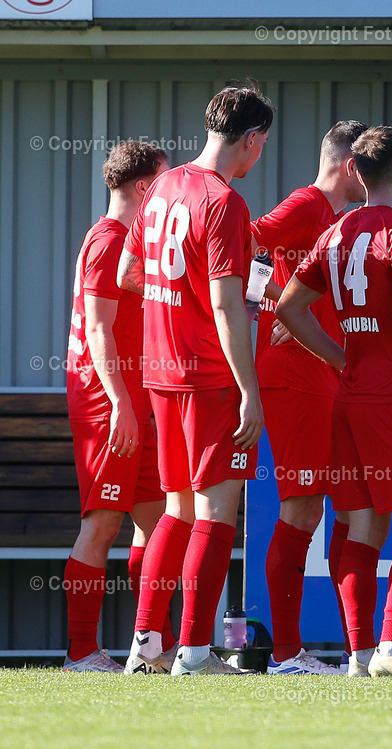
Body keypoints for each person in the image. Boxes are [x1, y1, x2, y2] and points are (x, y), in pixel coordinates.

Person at [276, 125, 392, 678]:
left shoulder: (336, 232)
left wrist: (339, 358)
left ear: (357, 173)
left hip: (350, 396)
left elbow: (287, 308)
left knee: (361, 526)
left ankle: (356, 653)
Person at [119, 82, 273, 675]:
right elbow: (230, 307)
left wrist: (175, 303)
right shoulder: (224, 202)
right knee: (214, 515)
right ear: (252, 139)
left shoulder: (159, 186)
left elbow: (132, 272)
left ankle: (145, 647)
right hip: (208, 378)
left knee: (177, 511)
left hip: (161, 375)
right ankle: (195, 652)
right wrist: (250, 391)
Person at [250, 119, 368, 675]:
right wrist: (277, 302)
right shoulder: (304, 204)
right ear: (350, 166)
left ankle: (356, 650)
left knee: (346, 505)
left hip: (328, 375)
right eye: (367, 168)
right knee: (300, 507)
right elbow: (234, 247)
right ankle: (285, 653)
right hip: (294, 375)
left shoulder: (339, 218)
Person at [62, 141, 170, 672]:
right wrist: (122, 404)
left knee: (156, 523)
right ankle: (81, 651)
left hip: (139, 402)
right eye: (164, 181)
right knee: (103, 525)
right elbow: (100, 331)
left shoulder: (133, 242)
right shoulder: (109, 241)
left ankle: (155, 647)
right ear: (145, 187)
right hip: (110, 406)